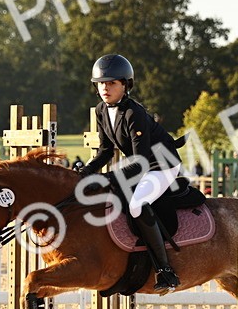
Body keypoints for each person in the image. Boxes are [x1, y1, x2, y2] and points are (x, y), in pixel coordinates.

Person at [78, 54, 182, 292]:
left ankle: (165, 271)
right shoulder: (100, 110)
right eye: (101, 83)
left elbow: (141, 162)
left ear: (125, 85)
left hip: (162, 165)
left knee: (137, 204)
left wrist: (107, 178)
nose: (105, 87)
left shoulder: (134, 113)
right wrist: (86, 171)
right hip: (140, 164)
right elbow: (105, 150)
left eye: (112, 82)